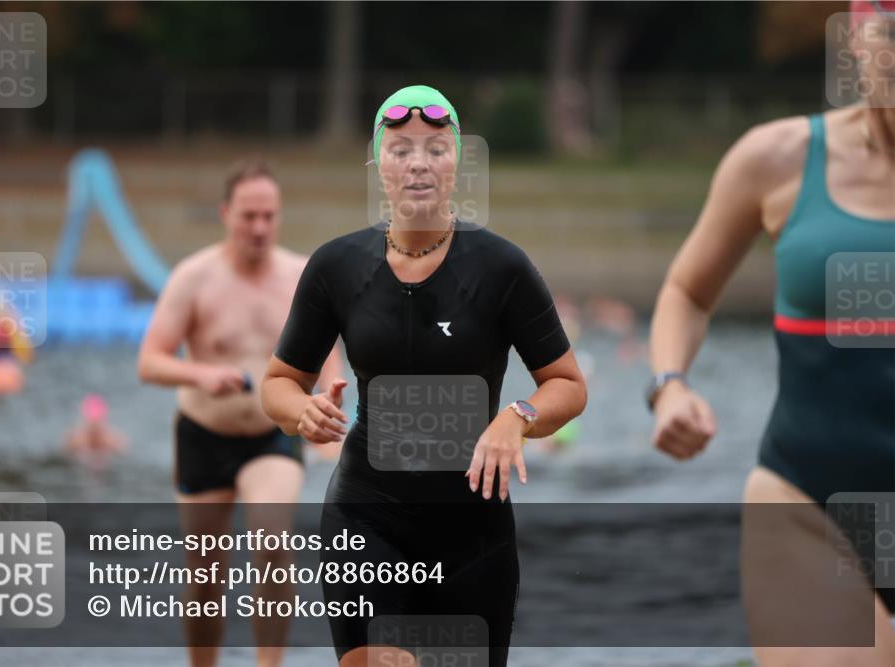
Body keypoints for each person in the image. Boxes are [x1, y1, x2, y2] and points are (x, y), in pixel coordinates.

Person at [261, 85, 587, 667]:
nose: (418, 163)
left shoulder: (502, 268)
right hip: (365, 514)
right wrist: (301, 411)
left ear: (457, 163)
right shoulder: (336, 267)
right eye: (401, 148)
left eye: (436, 149)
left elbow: (568, 383)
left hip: (473, 527)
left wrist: (519, 417)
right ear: (377, 164)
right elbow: (278, 382)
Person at [647, 3, 894, 665]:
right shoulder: (776, 158)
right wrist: (670, 385)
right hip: (807, 500)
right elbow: (687, 292)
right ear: (860, 39)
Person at [137, 160, 345, 667]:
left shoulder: (302, 277)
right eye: (248, 215)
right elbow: (149, 361)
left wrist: (326, 415)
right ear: (226, 213)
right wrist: (199, 375)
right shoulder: (194, 277)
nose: (259, 227)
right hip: (203, 433)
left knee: (273, 543)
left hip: (272, 436)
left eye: (268, 216)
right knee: (205, 574)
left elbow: (329, 370)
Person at [63, 394, 127, 472]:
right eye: (92, 423)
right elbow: (65, 452)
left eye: (97, 423)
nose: (94, 427)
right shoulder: (75, 439)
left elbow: (123, 452)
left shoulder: (112, 440)